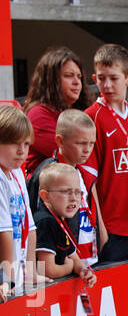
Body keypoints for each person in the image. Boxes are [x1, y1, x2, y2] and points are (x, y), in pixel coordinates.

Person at [82, 44, 128, 264]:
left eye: (114, 78)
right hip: (111, 228)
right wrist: (101, 231)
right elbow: (89, 182)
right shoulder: (92, 117)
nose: (107, 85)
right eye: (101, 78)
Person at [27, 109, 101, 265]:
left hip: (87, 259)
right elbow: (43, 221)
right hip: (62, 263)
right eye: (81, 143)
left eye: (91, 143)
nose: (87, 149)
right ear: (60, 141)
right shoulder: (47, 174)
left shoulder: (83, 171)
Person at [22, 46, 91, 176]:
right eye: (69, 76)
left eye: (79, 77)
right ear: (51, 80)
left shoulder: (78, 111)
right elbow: (74, 153)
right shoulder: (38, 115)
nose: (77, 82)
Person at [34, 162, 98, 286]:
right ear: (45, 196)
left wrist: (83, 271)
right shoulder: (46, 222)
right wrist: (69, 267)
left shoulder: (61, 220)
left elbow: (73, 257)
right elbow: (48, 269)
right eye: (66, 192)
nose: (74, 198)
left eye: (78, 192)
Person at [0, 106, 36, 302]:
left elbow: (30, 227)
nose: (22, 151)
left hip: (16, 279)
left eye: (26, 143)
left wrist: (31, 272)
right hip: (7, 282)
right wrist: (7, 279)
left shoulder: (17, 173)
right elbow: (3, 232)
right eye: (14, 143)